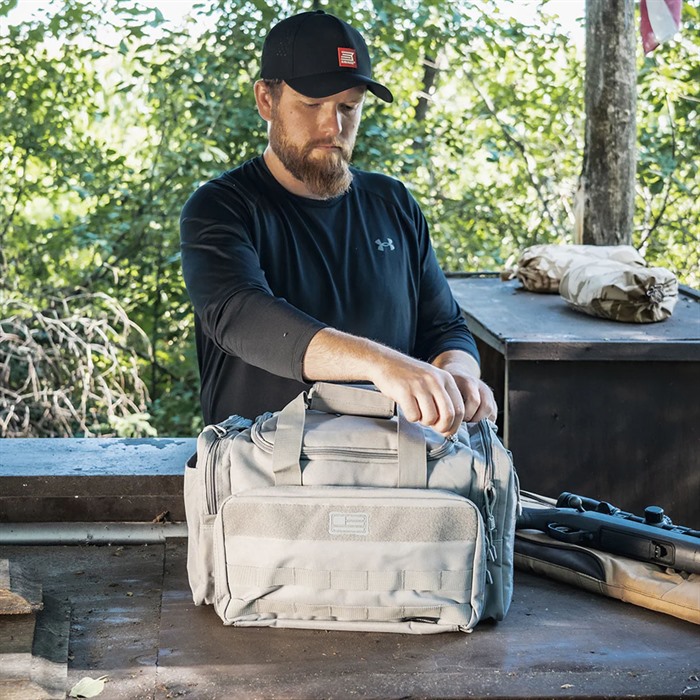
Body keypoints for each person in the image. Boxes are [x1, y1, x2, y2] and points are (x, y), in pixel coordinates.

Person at [180, 10, 496, 437]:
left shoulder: (393, 204)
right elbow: (240, 315)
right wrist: (382, 364)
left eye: (349, 106)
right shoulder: (222, 206)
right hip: (262, 467)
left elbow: (445, 328)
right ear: (266, 100)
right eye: (312, 105)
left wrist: (458, 374)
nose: (334, 126)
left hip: (396, 466)